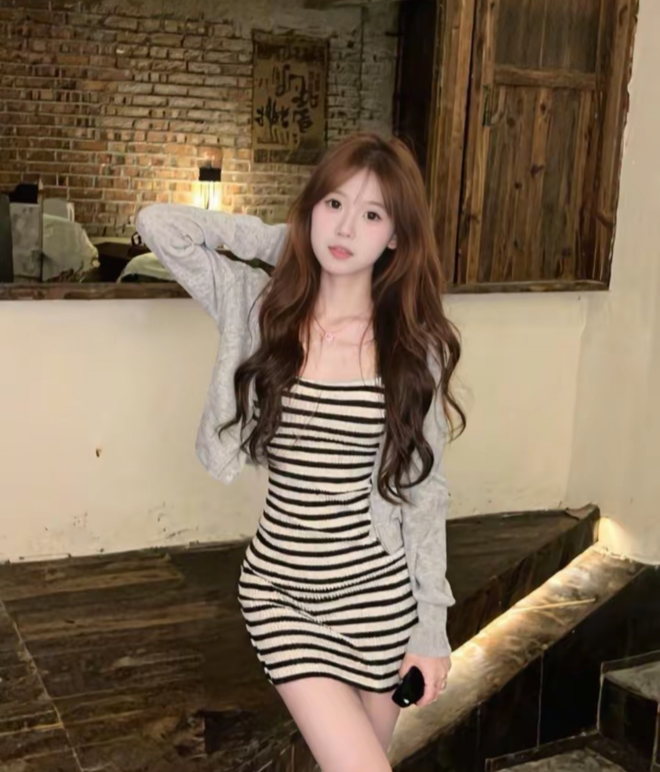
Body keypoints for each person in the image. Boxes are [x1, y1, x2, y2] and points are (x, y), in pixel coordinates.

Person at [136, 132, 465, 772]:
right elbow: (159, 226)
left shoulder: (410, 348)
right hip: (283, 593)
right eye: (333, 204)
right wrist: (287, 243)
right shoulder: (261, 309)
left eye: (372, 215)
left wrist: (430, 627)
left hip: (380, 604)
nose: (346, 227)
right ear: (310, 208)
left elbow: (425, 493)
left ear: (395, 238)